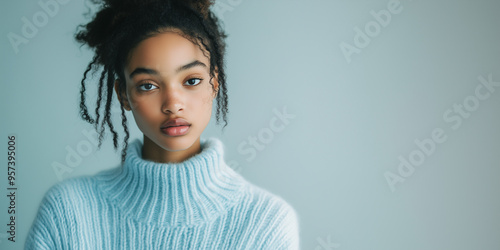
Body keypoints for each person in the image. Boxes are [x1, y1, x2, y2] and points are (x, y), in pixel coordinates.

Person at [24, 0, 300, 249]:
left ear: (214, 84)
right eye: (148, 85)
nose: (172, 103)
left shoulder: (266, 223)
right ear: (125, 95)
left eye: (191, 81)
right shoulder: (69, 211)